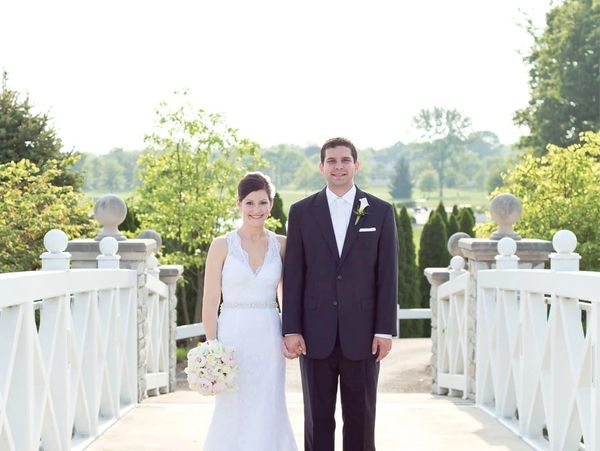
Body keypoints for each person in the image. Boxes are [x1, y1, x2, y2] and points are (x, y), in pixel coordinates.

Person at [282, 137, 398, 451]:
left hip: (362, 335)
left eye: (345, 160)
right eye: (331, 161)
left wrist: (384, 330)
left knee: (361, 420)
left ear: (356, 165)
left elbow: (388, 276)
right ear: (321, 167)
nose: (338, 167)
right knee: (317, 420)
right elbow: (294, 275)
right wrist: (291, 328)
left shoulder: (381, 212)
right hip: (314, 334)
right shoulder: (302, 212)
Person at [202, 172, 298, 451]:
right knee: (233, 403)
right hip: (232, 334)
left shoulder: (282, 245)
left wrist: (290, 332)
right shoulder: (221, 245)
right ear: (239, 204)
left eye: (262, 203)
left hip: (269, 334)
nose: (257, 210)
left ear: (271, 204)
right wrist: (212, 346)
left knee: (269, 401)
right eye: (250, 203)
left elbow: (287, 294)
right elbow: (210, 300)